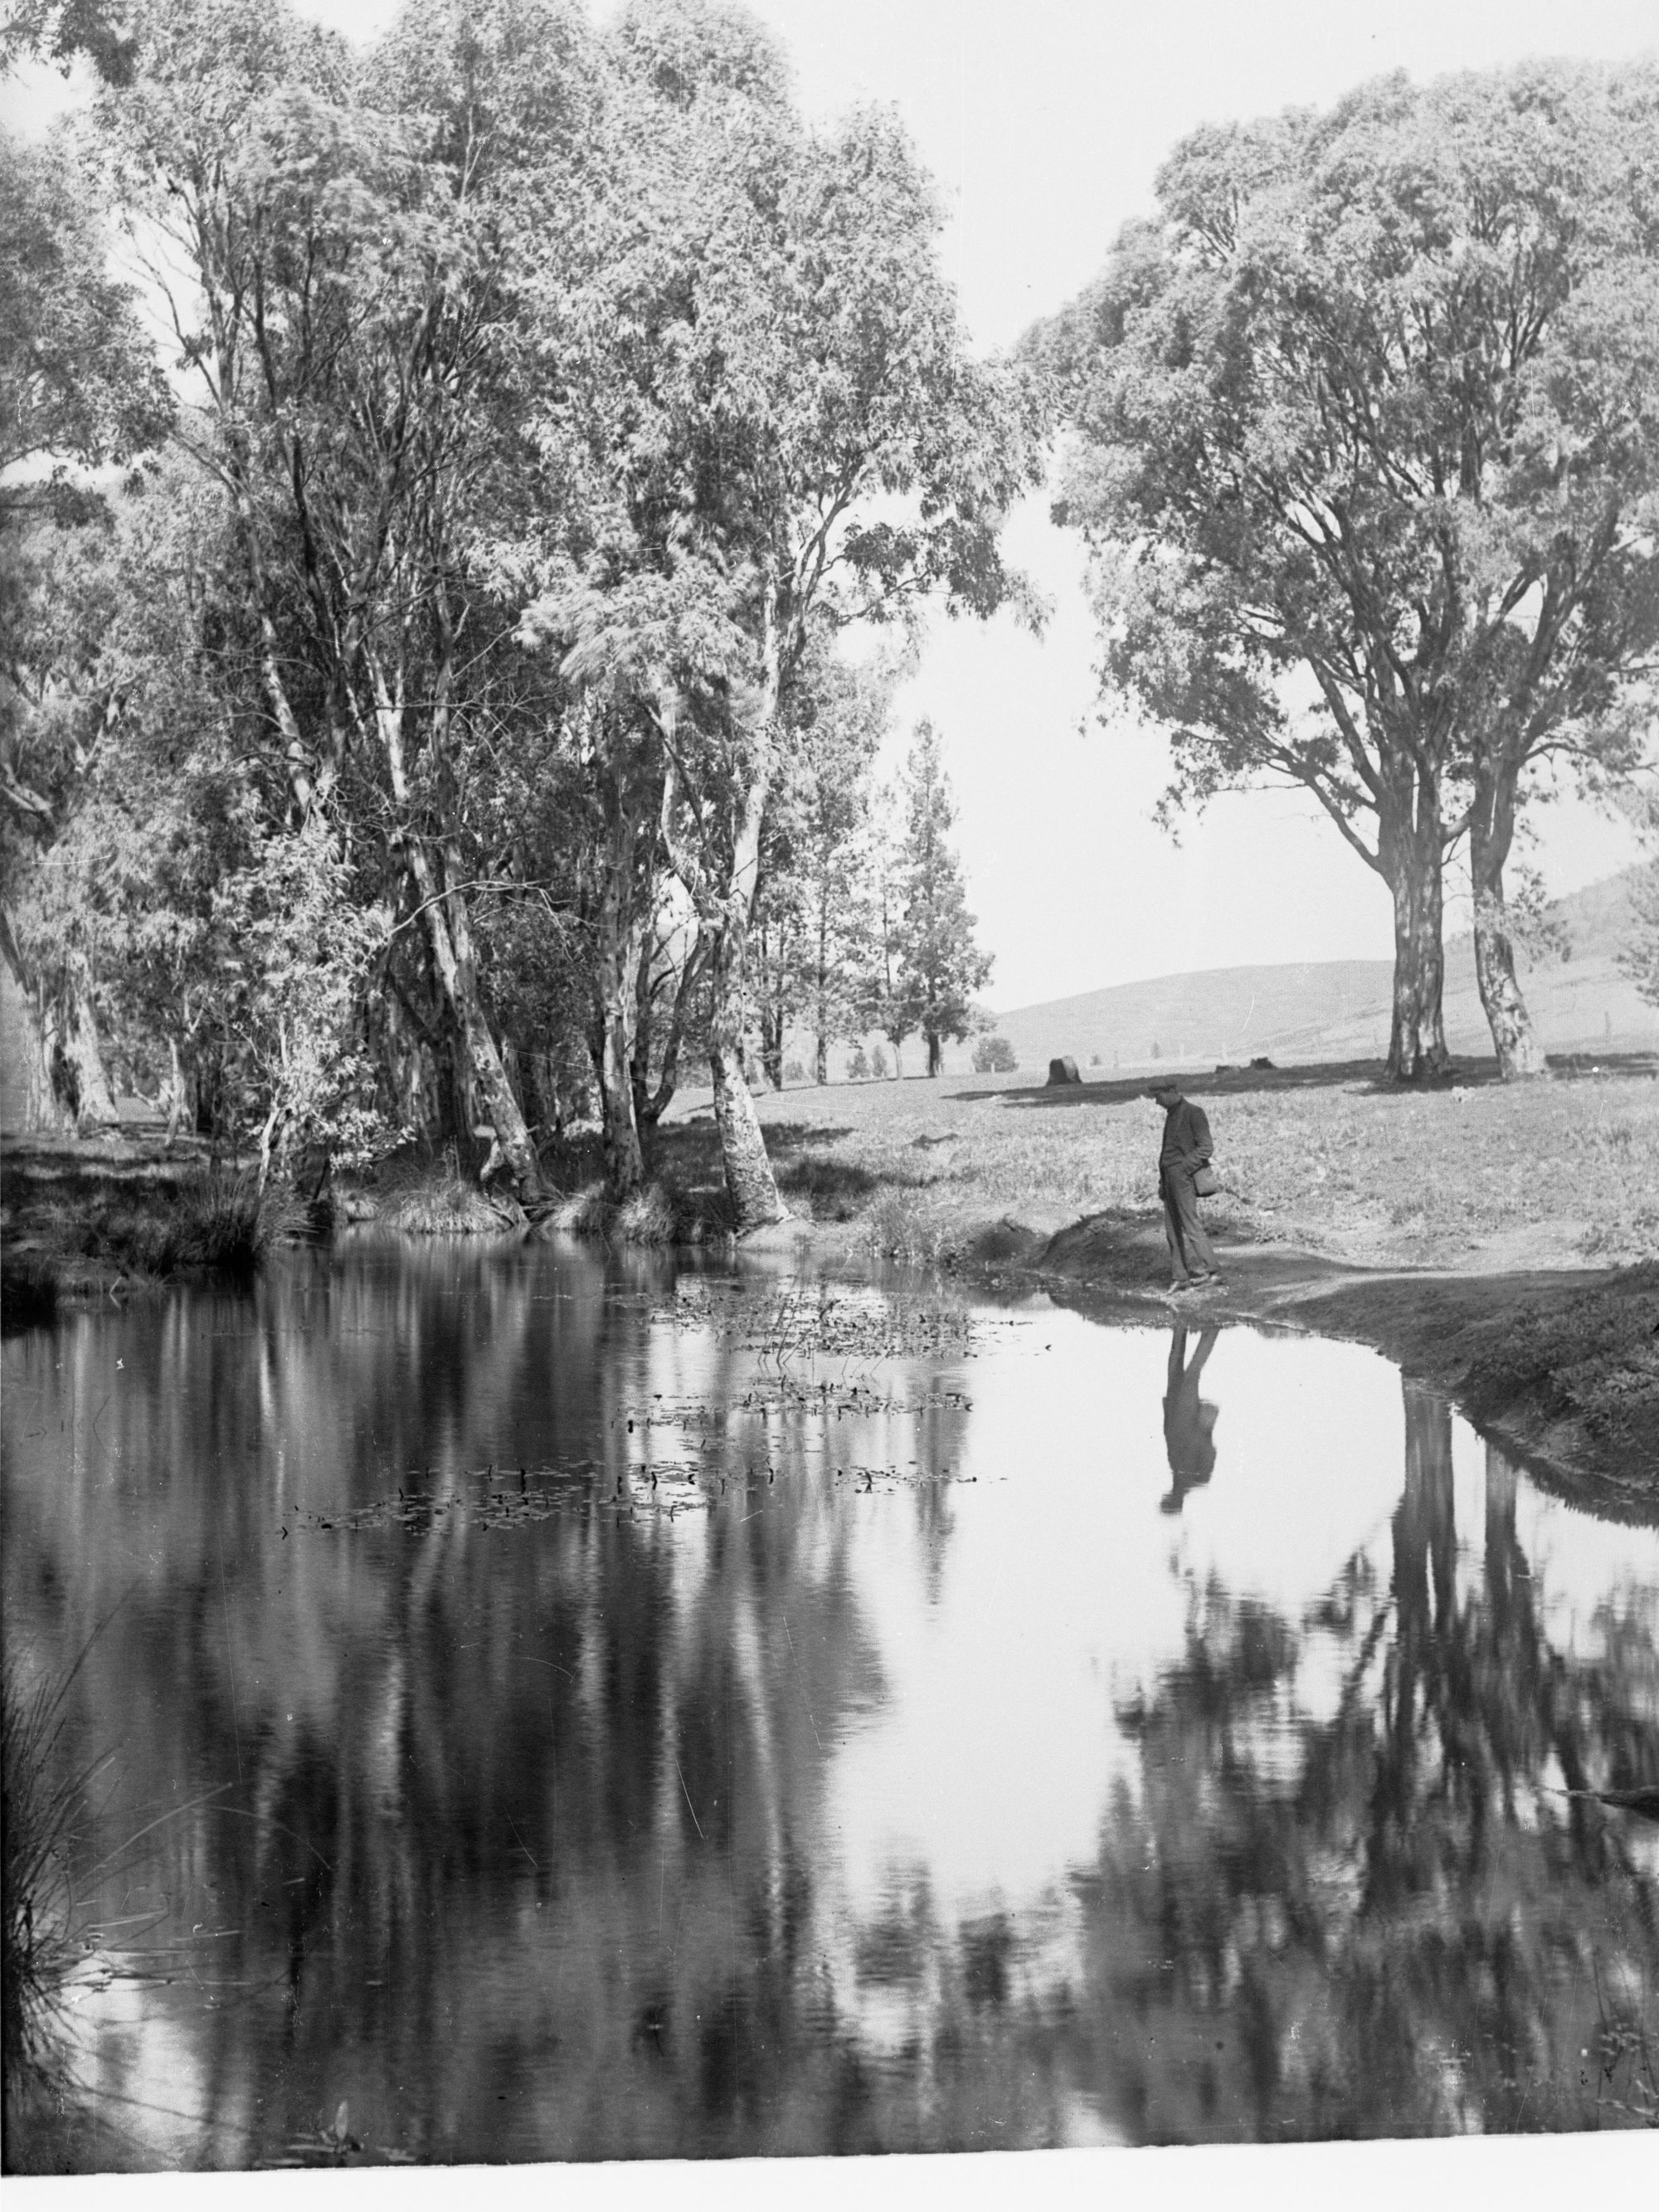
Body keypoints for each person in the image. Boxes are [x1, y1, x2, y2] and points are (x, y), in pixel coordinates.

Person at [1148, 1079, 1224, 1291]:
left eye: (1159, 1097)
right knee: (1172, 1231)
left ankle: (1213, 1272)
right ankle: (1180, 1277)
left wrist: (1183, 1168)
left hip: (1184, 1179)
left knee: (1191, 1226)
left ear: (1173, 1091)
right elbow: (1167, 1152)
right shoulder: (1172, 1115)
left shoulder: (1194, 1113)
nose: (1157, 1102)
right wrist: (1163, 1181)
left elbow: (1206, 1148)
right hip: (1170, 1180)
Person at [1160, 1323, 1220, 1512]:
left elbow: (1169, 1437)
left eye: (1168, 1496)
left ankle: (1181, 1326)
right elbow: (1210, 1451)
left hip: (1176, 1411)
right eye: (1171, 1498)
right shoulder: (1198, 1478)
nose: (1170, 1493)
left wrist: (1167, 1407)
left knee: (1174, 1364)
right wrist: (1199, 1430)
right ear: (1178, 1500)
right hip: (1189, 1418)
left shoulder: (1178, 1473)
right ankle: (1211, 1331)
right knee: (1191, 1376)